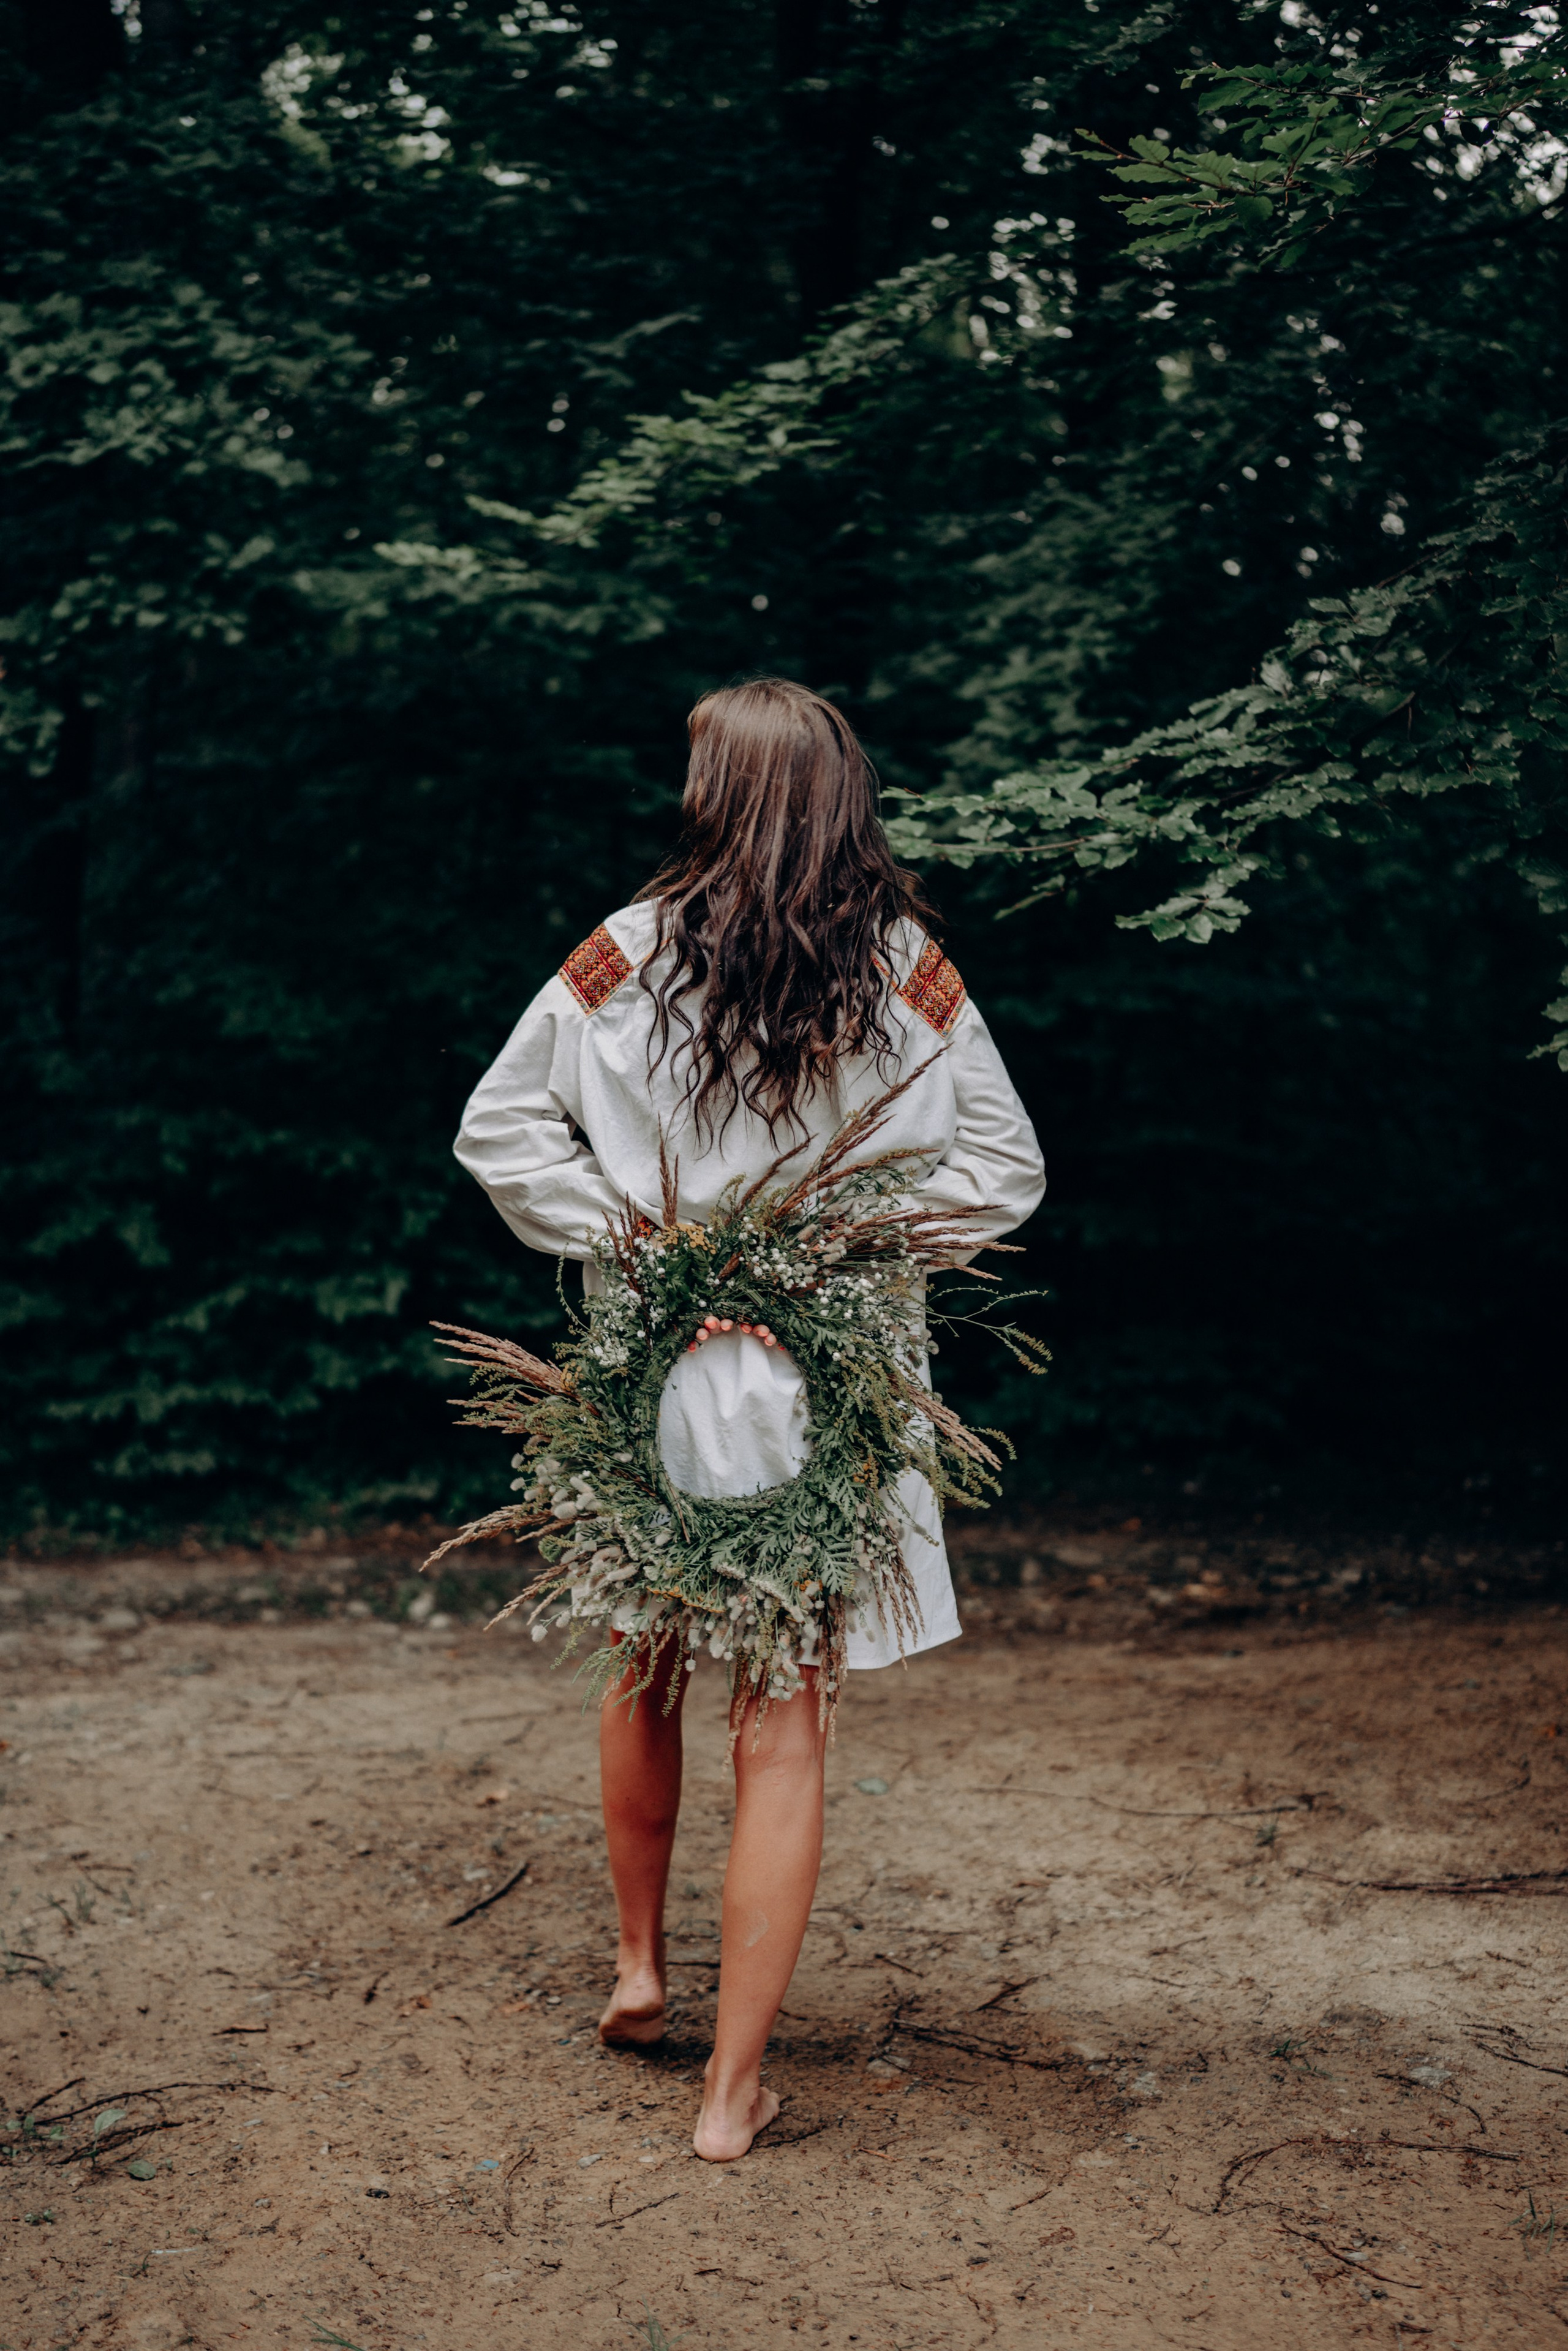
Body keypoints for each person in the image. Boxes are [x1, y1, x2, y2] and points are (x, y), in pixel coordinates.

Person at [453, 677, 1045, 2160]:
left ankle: (642, 1967)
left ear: (712, 793)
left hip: (649, 1368)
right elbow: (1003, 1167)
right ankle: (729, 2096)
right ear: (843, 798)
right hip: (831, 1381)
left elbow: (498, 1125)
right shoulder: (909, 969)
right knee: (781, 1725)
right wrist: (838, 1249)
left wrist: (648, 1240)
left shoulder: (622, 952)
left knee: (642, 1654)